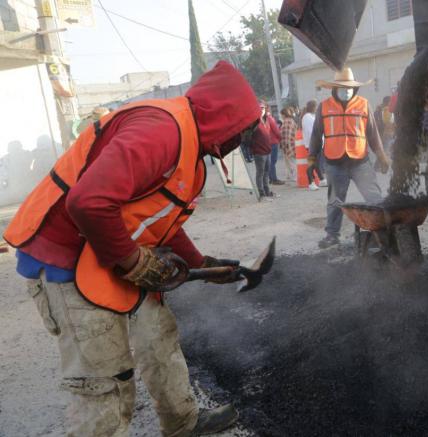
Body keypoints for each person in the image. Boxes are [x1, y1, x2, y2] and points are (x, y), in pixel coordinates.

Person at [2, 61, 262, 436]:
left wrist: (199, 263)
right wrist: (133, 262)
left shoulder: (188, 144)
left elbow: (158, 217)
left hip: (109, 246)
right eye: (243, 129)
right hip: (69, 256)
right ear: (224, 118)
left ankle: (183, 423)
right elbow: (87, 202)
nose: (243, 139)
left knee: (160, 338)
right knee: (103, 375)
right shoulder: (161, 131)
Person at [310, 67, 391, 249]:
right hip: (334, 162)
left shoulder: (363, 104)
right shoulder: (324, 106)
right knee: (335, 201)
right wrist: (311, 158)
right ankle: (332, 235)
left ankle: (380, 231)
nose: (346, 90)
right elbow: (316, 134)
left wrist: (382, 156)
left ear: (355, 88)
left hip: (360, 161)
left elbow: (372, 133)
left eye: (349, 87)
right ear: (334, 88)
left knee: (374, 198)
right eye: (341, 87)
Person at [248, 100, 281, 200]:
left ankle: (267, 192)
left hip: (267, 150)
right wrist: (253, 148)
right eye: (260, 108)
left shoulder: (266, 119)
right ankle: (261, 194)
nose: (262, 110)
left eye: (263, 108)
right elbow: (248, 137)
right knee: (260, 173)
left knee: (266, 172)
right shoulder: (253, 121)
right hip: (259, 152)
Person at [301, 100, 327, 191]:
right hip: (313, 145)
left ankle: (322, 180)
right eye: (316, 107)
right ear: (312, 107)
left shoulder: (312, 116)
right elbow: (310, 132)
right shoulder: (307, 117)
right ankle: (311, 182)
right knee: (311, 164)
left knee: (316, 163)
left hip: (318, 143)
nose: (318, 109)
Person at [267, 104, 285, 185]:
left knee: (269, 161)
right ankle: (274, 179)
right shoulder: (269, 118)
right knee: (273, 161)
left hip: (267, 142)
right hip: (273, 142)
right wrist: (281, 138)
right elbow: (276, 130)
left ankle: (271, 178)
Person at [279, 107, 297, 181]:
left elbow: (287, 134)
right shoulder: (292, 120)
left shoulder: (286, 122)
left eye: (281, 114)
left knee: (291, 162)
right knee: (290, 161)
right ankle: (289, 176)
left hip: (288, 144)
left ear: (284, 114)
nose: (281, 116)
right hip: (292, 143)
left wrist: (285, 145)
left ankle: (295, 176)